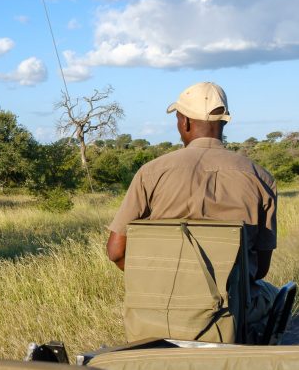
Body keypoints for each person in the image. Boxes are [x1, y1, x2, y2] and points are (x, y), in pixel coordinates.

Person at [105, 81, 279, 343]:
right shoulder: (260, 178)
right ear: (224, 123)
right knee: (273, 293)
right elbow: (261, 269)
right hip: (228, 311)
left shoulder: (150, 173)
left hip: (158, 308)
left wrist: (156, 277)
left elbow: (116, 251)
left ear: (184, 122)